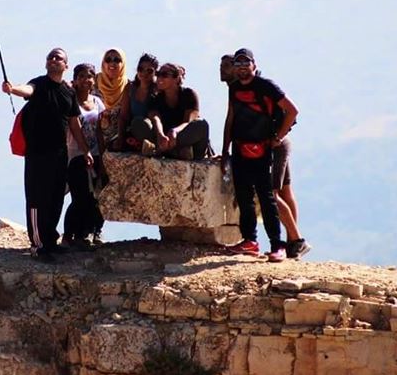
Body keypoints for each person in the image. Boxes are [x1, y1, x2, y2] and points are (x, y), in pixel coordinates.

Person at [2, 48, 93, 263]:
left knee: (54, 198)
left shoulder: (68, 92)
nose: (53, 60)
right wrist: (12, 89)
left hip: (60, 153)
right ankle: (38, 244)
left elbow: (74, 124)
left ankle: (50, 239)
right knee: (37, 198)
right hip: (37, 152)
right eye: (50, 57)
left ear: (66, 66)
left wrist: (85, 150)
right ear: (46, 64)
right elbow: (28, 90)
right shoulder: (40, 83)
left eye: (58, 58)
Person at [219, 54, 311, 259]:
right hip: (240, 148)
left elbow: (292, 110)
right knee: (245, 196)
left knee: (268, 197)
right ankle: (250, 240)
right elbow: (231, 117)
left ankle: (281, 244)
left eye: (246, 63)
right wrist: (225, 149)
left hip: (265, 148)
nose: (241, 67)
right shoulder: (234, 88)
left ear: (254, 65)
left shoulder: (265, 86)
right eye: (237, 64)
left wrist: (278, 137)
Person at [61, 63, 107, 250]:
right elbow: (73, 127)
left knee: (97, 197)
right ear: (75, 79)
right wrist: (85, 150)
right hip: (75, 155)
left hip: (96, 154)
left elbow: (101, 130)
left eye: (90, 76)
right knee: (81, 197)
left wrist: (103, 155)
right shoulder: (70, 102)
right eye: (81, 76)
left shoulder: (97, 102)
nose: (86, 80)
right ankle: (70, 235)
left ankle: (91, 232)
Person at [131, 63, 210, 160]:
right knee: (138, 122)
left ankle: (169, 150)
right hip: (164, 138)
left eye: (164, 75)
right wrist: (160, 135)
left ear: (176, 79)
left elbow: (188, 121)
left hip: (181, 136)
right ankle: (175, 151)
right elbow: (156, 119)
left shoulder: (188, 94)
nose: (159, 78)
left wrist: (174, 132)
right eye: (158, 74)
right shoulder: (155, 98)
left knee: (201, 124)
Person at [115, 53, 159, 152]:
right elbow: (123, 116)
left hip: (153, 130)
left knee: (141, 122)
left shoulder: (158, 90)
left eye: (149, 71)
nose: (144, 73)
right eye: (141, 69)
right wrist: (120, 137)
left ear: (155, 73)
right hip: (135, 130)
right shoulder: (130, 88)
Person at [94, 48, 129, 149]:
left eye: (117, 60)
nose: (112, 63)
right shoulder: (93, 81)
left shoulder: (128, 86)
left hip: (116, 143)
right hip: (91, 144)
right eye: (108, 60)